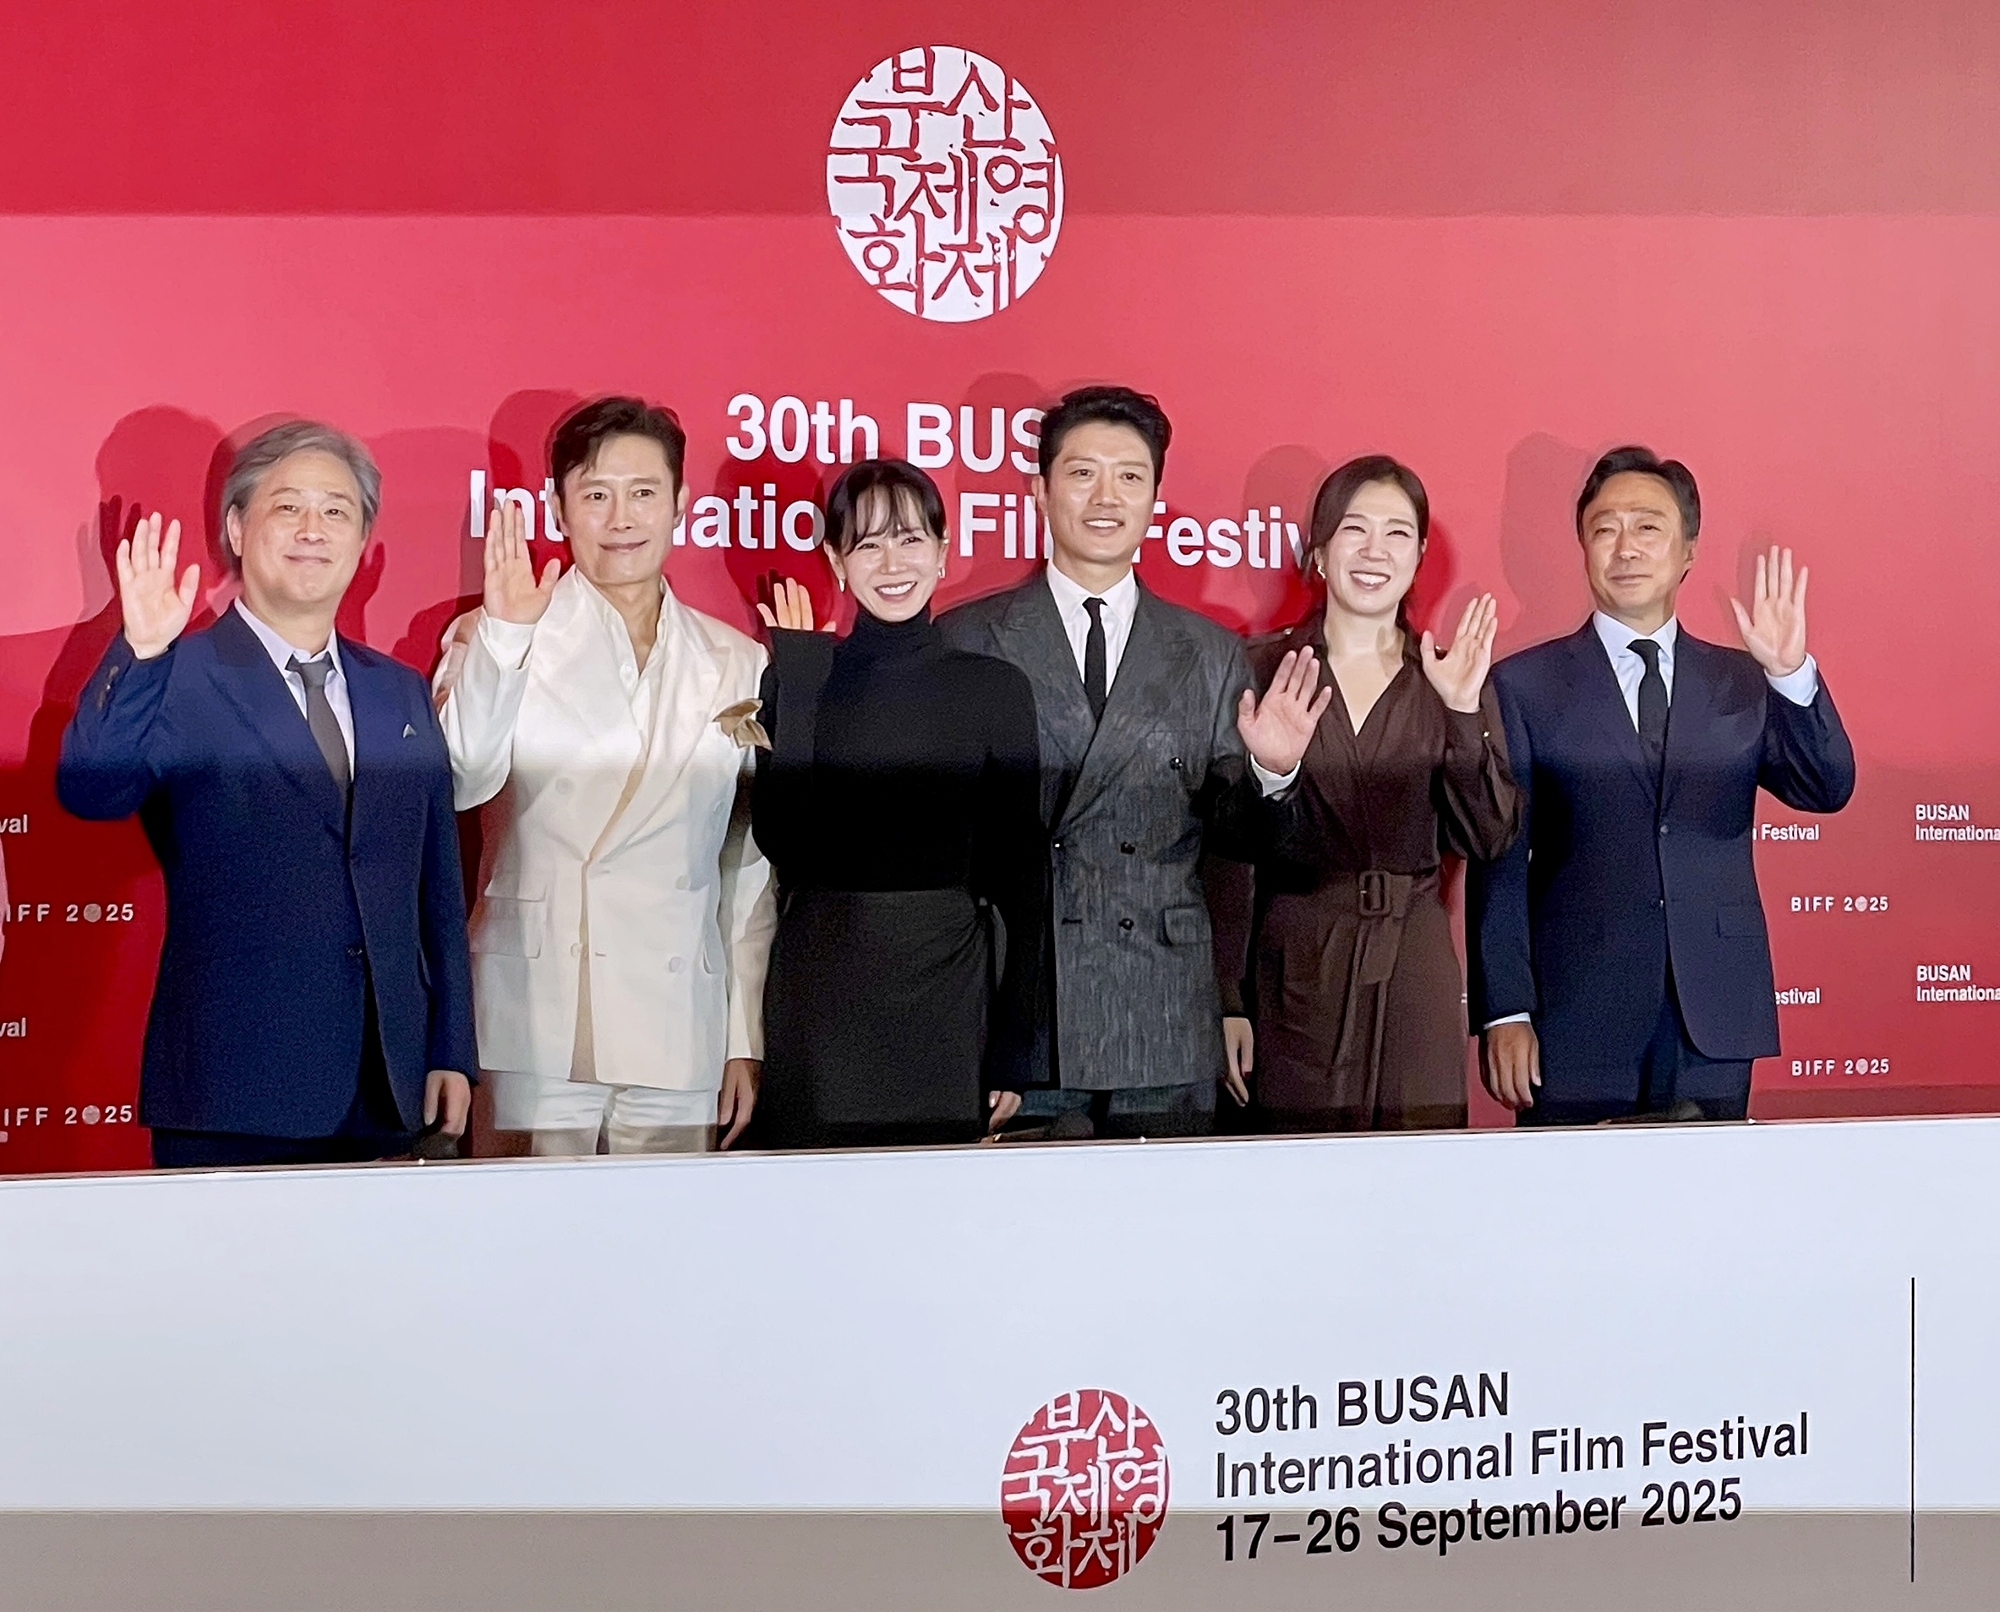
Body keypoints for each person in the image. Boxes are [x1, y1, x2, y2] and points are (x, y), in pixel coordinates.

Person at [57, 421, 476, 1167]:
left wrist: (450, 1047)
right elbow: (92, 789)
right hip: (231, 1085)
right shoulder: (178, 673)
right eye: (288, 507)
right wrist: (141, 651)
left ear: (364, 543)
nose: (313, 530)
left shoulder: (400, 693)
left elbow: (435, 889)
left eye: (337, 511)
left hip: (386, 1086)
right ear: (236, 529)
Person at [1468, 445, 1856, 1124]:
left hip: (1713, 1015)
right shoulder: (1524, 685)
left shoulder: (1744, 680)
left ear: (1687, 552)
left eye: (1648, 527)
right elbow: (1499, 857)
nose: (1626, 547)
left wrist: (1791, 676)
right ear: (1583, 547)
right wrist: (1506, 1007)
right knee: (1572, 1219)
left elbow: (1825, 788)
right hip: (1574, 1012)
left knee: (1705, 1217)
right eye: (1604, 528)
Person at [433, 397, 775, 1155]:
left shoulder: (738, 661)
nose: (621, 517)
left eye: (644, 492)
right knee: (525, 1255)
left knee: (659, 1260)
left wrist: (740, 1032)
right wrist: (505, 639)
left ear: (682, 504)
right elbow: (459, 782)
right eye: (595, 494)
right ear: (559, 508)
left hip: (678, 1016)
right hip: (535, 1011)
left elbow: (745, 864)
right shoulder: (495, 632)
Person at [939, 386, 1282, 1137]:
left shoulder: (1209, 652)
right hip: (1026, 1010)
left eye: (1130, 476)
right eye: (1082, 472)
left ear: (1156, 497)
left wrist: (1272, 773)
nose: (1106, 496)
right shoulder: (967, 638)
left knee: (1162, 1243)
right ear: (1039, 490)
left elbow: (1238, 843)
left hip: (1162, 1004)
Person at [1214, 456, 1520, 1132]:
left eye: (1397, 533)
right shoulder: (1256, 667)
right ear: (1319, 551)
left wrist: (1463, 714)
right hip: (1294, 965)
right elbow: (1223, 854)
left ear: (1419, 556)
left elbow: (1490, 836)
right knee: (1294, 1188)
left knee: (1420, 1190)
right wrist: (1228, 997)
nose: (1374, 551)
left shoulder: (1448, 676)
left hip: (1413, 962)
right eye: (1354, 529)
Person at [751, 459, 1043, 1148]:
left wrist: (1013, 1044)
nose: (891, 563)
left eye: (910, 539)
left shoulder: (996, 689)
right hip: (822, 987)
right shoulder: (799, 675)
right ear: (836, 559)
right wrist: (794, 693)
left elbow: (1023, 877)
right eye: (867, 543)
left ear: (943, 553)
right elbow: (784, 842)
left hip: (947, 989)